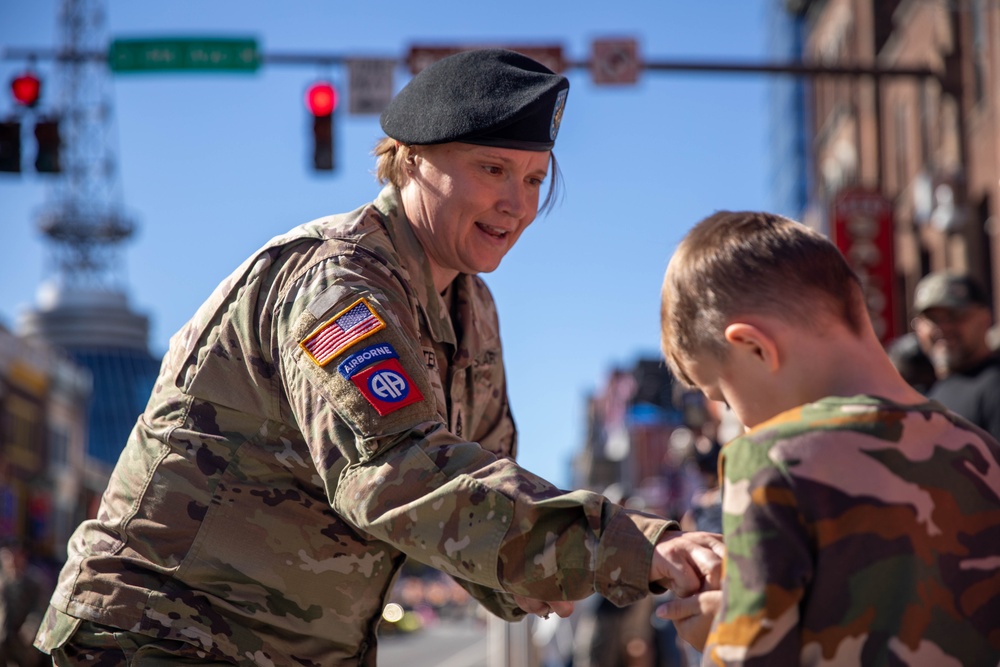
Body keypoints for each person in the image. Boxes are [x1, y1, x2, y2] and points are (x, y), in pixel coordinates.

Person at [34, 49, 723, 666]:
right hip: (167, 633)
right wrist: (624, 546)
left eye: (536, 180)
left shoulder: (471, 309)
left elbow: (483, 478)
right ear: (414, 158)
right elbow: (395, 473)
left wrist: (605, 563)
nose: (517, 204)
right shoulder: (340, 283)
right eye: (493, 169)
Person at [656, 211, 1000, 665]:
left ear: (755, 347)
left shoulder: (768, 461)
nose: (738, 422)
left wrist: (719, 638)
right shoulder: (985, 454)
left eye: (720, 392)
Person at [910, 270, 1000, 441]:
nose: (943, 328)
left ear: (986, 318)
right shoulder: (932, 390)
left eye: (956, 316)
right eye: (932, 319)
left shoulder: (994, 386)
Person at [0, 542, 45, 667]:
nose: (12, 561)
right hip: (3, 636)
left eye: (15, 556)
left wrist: (30, 629)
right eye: (7, 557)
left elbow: (39, 609)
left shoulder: (34, 581)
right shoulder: (2, 582)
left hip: (23, 638)